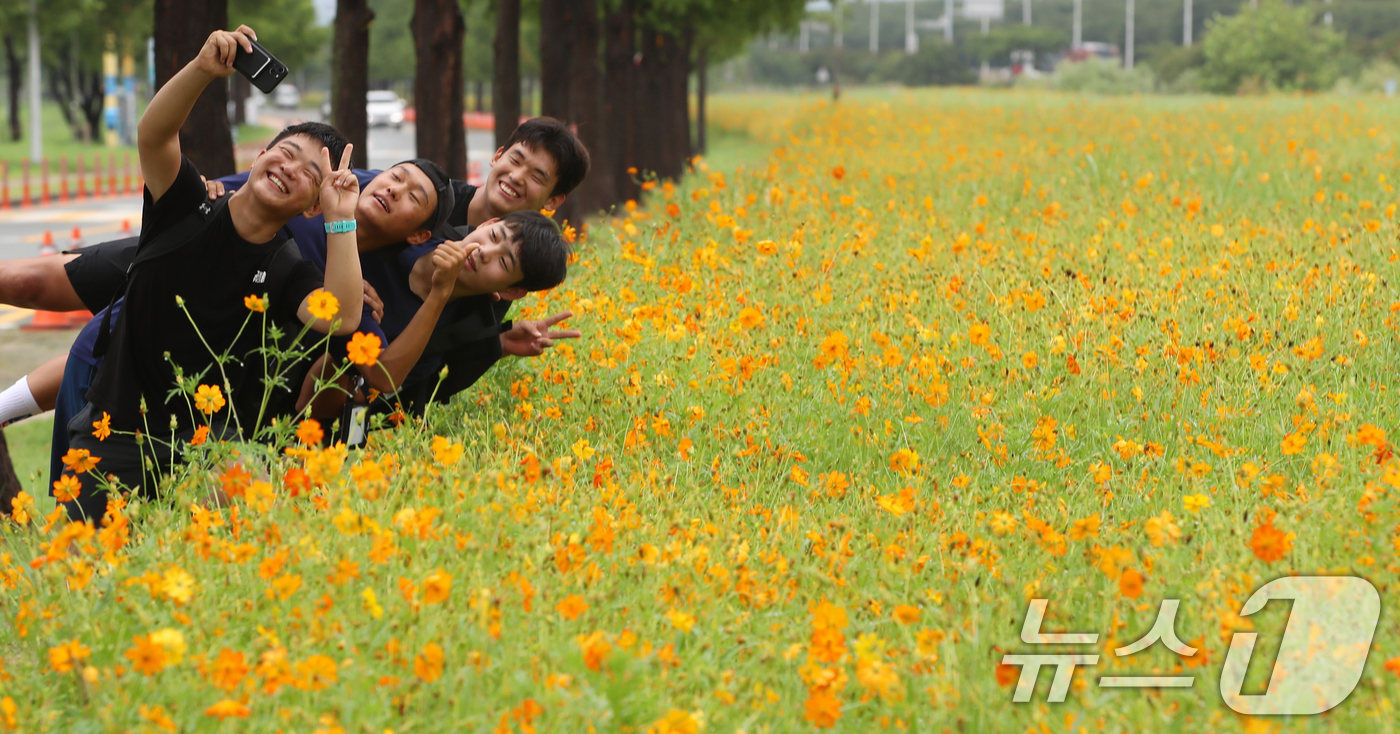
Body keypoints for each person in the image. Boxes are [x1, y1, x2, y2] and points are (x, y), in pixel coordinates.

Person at [56, 25, 365, 520]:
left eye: (311, 174)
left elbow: (342, 318)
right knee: (84, 576)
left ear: (312, 205)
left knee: (242, 516)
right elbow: (154, 135)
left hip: (210, 445)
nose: (290, 168)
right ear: (260, 156)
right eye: (285, 153)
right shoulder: (185, 206)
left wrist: (342, 215)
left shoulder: (287, 268)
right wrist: (202, 70)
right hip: (115, 431)